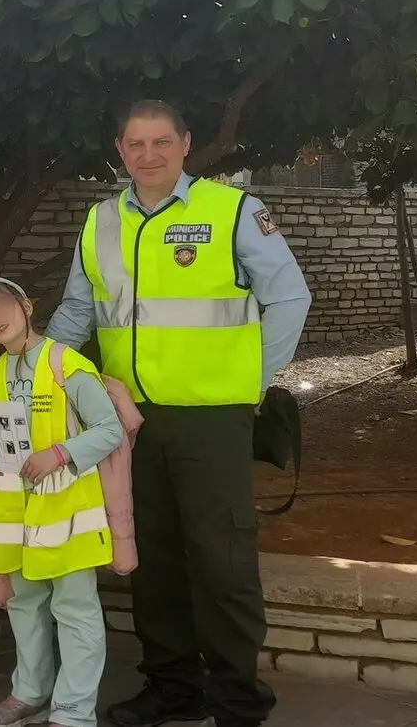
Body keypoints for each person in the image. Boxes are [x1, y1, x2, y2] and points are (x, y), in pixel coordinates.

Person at [48, 100, 311, 727]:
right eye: (135, 144)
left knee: (222, 562)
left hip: (213, 417)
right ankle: (172, 689)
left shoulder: (232, 211)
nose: (149, 155)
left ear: (186, 144)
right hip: (131, 420)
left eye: (161, 142)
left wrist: (250, 384)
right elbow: (77, 312)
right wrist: (33, 374)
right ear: (119, 149)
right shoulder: (101, 221)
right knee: (153, 559)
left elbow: (290, 298)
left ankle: (237, 704)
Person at [0, 277, 125, 727]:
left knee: (74, 609)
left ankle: (74, 712)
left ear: (27, 306)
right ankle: (30, 692)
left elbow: (108, 429)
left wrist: (59, 454)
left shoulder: (65, 363)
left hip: (65, 514)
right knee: (24, 604)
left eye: (3, 307)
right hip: (13, 517)